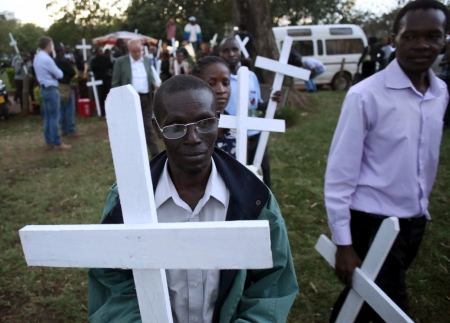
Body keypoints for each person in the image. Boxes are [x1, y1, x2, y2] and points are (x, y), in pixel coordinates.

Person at [87, 74, 298, 323]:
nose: (193, 138)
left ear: (217, 121)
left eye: (205, 123)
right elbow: (111, 276)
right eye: (176, 127)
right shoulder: (125, 203)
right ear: (157, 128)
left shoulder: (254, 200)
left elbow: (271, 285)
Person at [324, 1, 449, 322]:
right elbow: (339, 174)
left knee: (365, 296)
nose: (421, 45)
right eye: (410, 36)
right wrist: (343, 243)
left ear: (444, 40)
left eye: (433, 36)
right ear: (393, 39)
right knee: (391, 308)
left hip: (415, 218)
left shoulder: (440, 93)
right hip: (371, 220)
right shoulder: (366, 96)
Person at [220, 37, 281, 188]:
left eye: (235, 49)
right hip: (233, 138)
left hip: (255, 136)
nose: (231, 54)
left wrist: (271, 102)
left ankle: (266, 205)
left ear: (240, 53)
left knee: (261, 172)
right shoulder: (220, 81)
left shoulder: (251, 76)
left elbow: (256, 104)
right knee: (239, 175)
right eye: (226, 50)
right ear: (220, 55)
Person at [112, 39, 159, 158]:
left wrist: (153, 84)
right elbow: (115, 82)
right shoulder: (121, 62)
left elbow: (149, 77)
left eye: (139, 51)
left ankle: (154, 153)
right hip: (129, 98)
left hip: (145, 98)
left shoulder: (147, 61)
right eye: (134, 52)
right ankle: (134, 153)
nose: (137, 54)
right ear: (129, 51)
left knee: (148, 126)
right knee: (131, 126)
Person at [192, 56, 236, 158]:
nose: (221, 90)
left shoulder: (237, 126)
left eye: (226, 83)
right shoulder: (191, 132)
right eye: (211, 84)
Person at [33, 37, 71, 150]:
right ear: (48, 46)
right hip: (51, 88)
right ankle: (57, 142)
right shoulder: (47, 59)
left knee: (48, 116)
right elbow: (59, 74)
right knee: (54, 116)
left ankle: (49, 140)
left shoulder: (37, 58)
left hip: (43, 88)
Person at [54, 45, 78, 137]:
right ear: (61, 51)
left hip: (56, 85)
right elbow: (72, 72)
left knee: (61, 108)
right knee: (69, 108)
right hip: (65, 85)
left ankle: (64, 129)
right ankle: (71, 129)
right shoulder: (64, 61)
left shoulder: (53, 61)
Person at [91, 47, 113, 117]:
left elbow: (111, 67)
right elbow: (93, 70)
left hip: (107, 79)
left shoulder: (106, 59)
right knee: (101, 96)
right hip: (99, 80)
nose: (101, 53)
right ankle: (102, 111)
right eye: (99, 51)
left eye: (101, 51)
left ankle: (110, 110)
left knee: (108, 95)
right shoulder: (94, 60)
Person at [439, 38, 450, 129]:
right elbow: (440, 63)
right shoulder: (446, 53)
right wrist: (446, 62)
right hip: (444, 77)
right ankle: (445, 122)